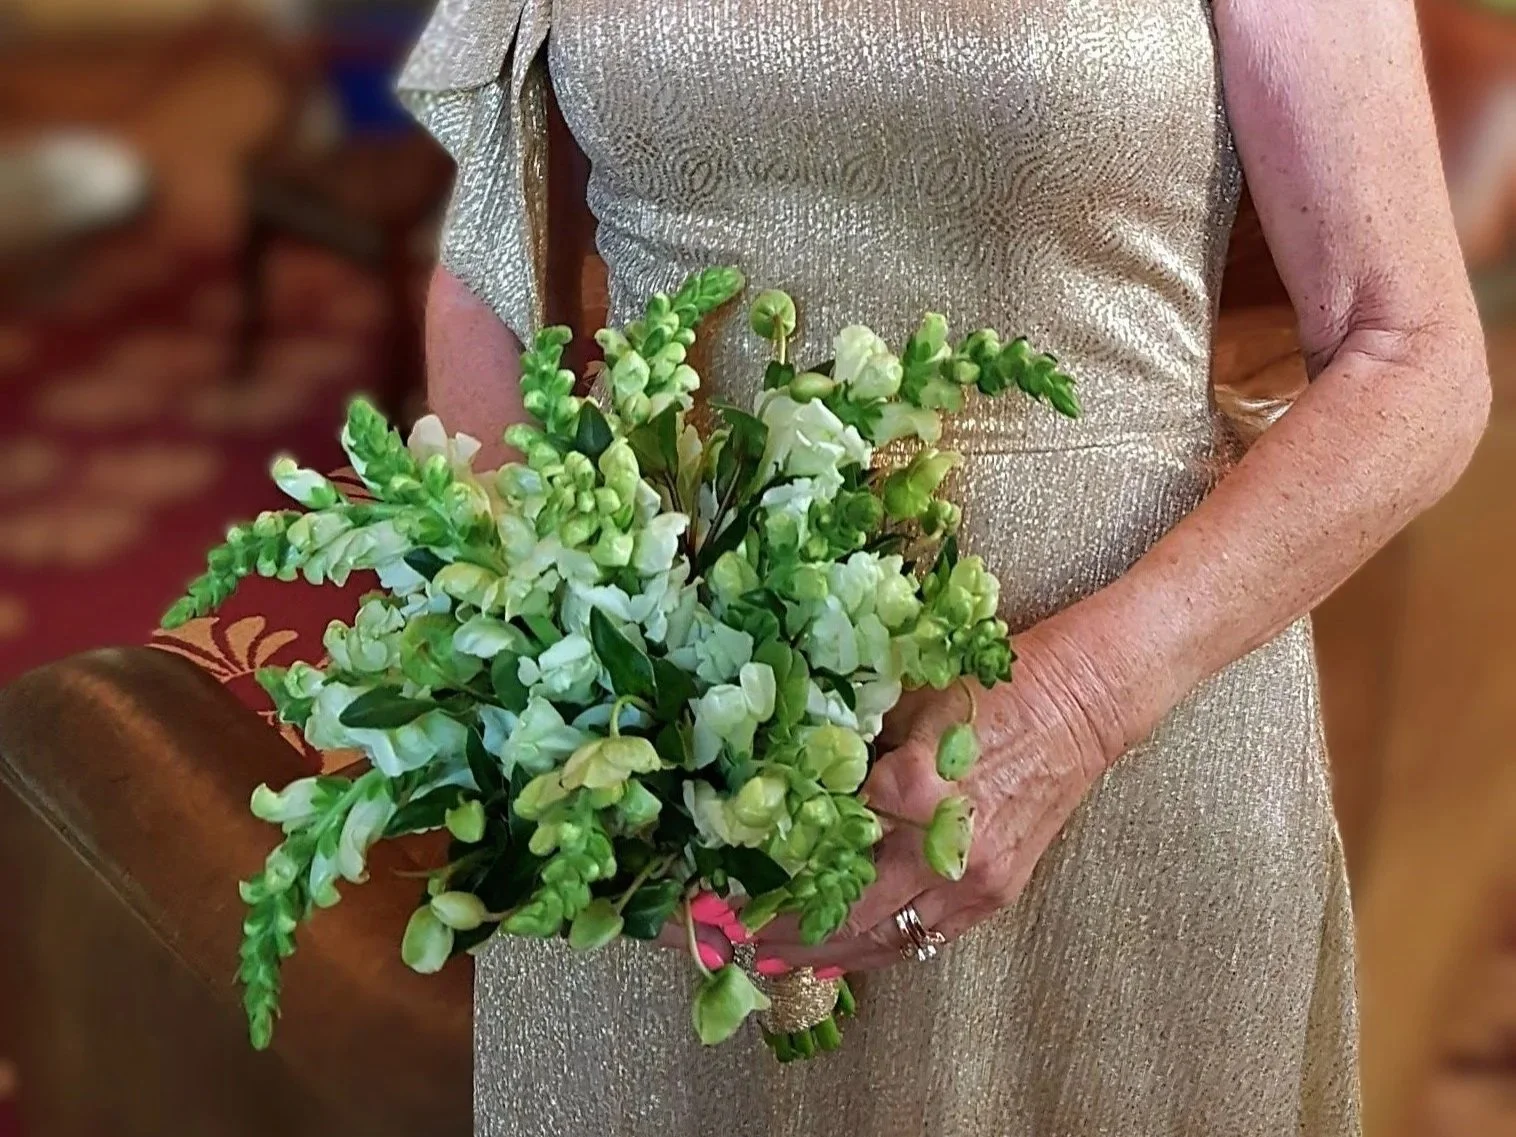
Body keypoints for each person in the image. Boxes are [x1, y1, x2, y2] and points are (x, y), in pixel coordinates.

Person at [397, 0, 1489, 1133]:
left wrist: (1072, 709)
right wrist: (553, 680)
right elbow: (491, 280)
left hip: (1131, 758)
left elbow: (1412, 355)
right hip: (658, 739)